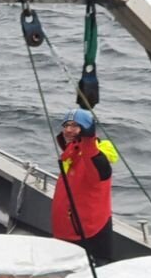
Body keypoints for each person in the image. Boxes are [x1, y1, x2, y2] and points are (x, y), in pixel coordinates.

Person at [51, 108, 119, 263]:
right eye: (66, 125)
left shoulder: (95, 157)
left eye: (75, 125)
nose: (68, 130)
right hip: (65, 233)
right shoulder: (70, 154)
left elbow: (99, 168)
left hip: (88, 234)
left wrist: (88, 140)